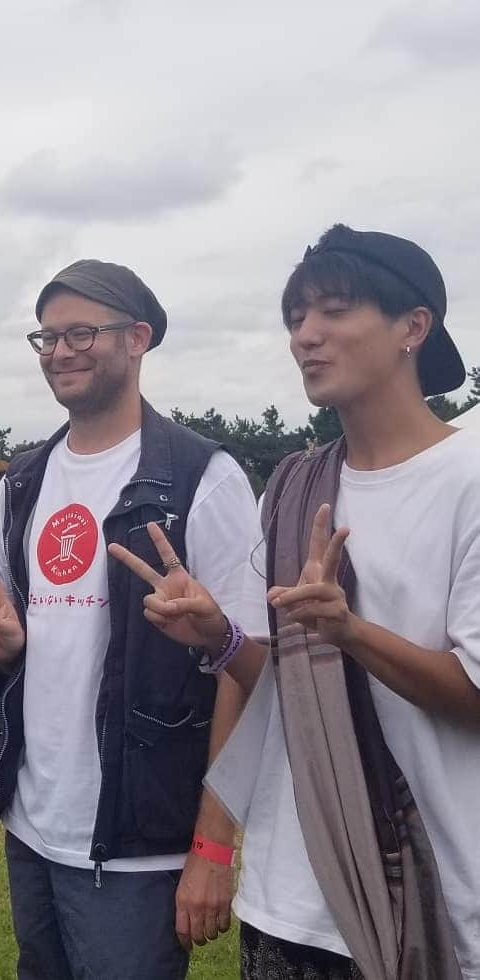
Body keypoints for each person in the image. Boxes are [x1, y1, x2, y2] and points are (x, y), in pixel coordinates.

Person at [112, 226, 480, 979]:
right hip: (286, 894)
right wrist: (217, 637)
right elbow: (279, 678)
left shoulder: (466, 478)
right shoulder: (295, 486)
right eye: (294, 319)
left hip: (431, 894)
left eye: (334, 311)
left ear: (414, 327)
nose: (306, 337)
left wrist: (350, 631)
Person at [0, 259, 263, 978]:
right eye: (47, 337)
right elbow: (40, 650)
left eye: (81, 332)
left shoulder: (201, 479)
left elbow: (251, 671)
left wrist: (214, 843)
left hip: (140, 842)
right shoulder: (22, 483)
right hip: (32, 825)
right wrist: (7, 648)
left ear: (138, 339)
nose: (60, 352)